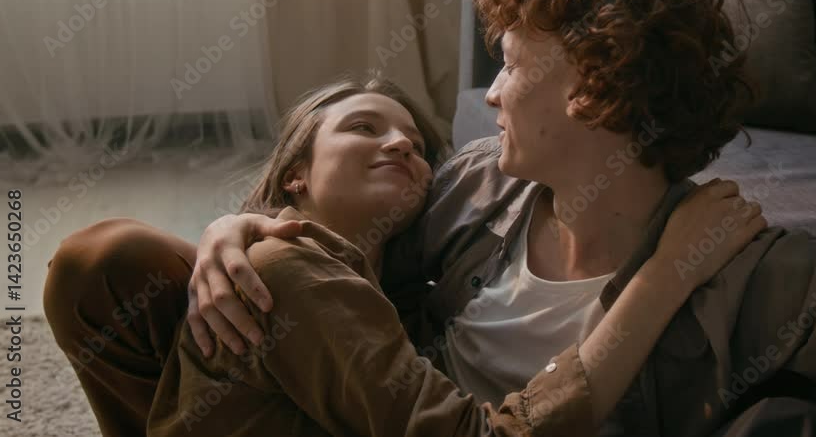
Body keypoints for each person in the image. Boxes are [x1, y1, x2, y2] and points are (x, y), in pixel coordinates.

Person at [191, 0, 816, 437]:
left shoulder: (761, 273)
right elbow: (339, 265)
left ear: (592, 87)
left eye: (510, 66)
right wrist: (235, 227)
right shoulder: (478, 183)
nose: (491, 93)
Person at [43, 76, 765, 436]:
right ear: (295, 174)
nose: (399, 144)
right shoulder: (284, 268)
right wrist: (667, 272)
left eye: (417, 147)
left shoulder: (406, 292)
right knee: (109, 263)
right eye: (363, 128)